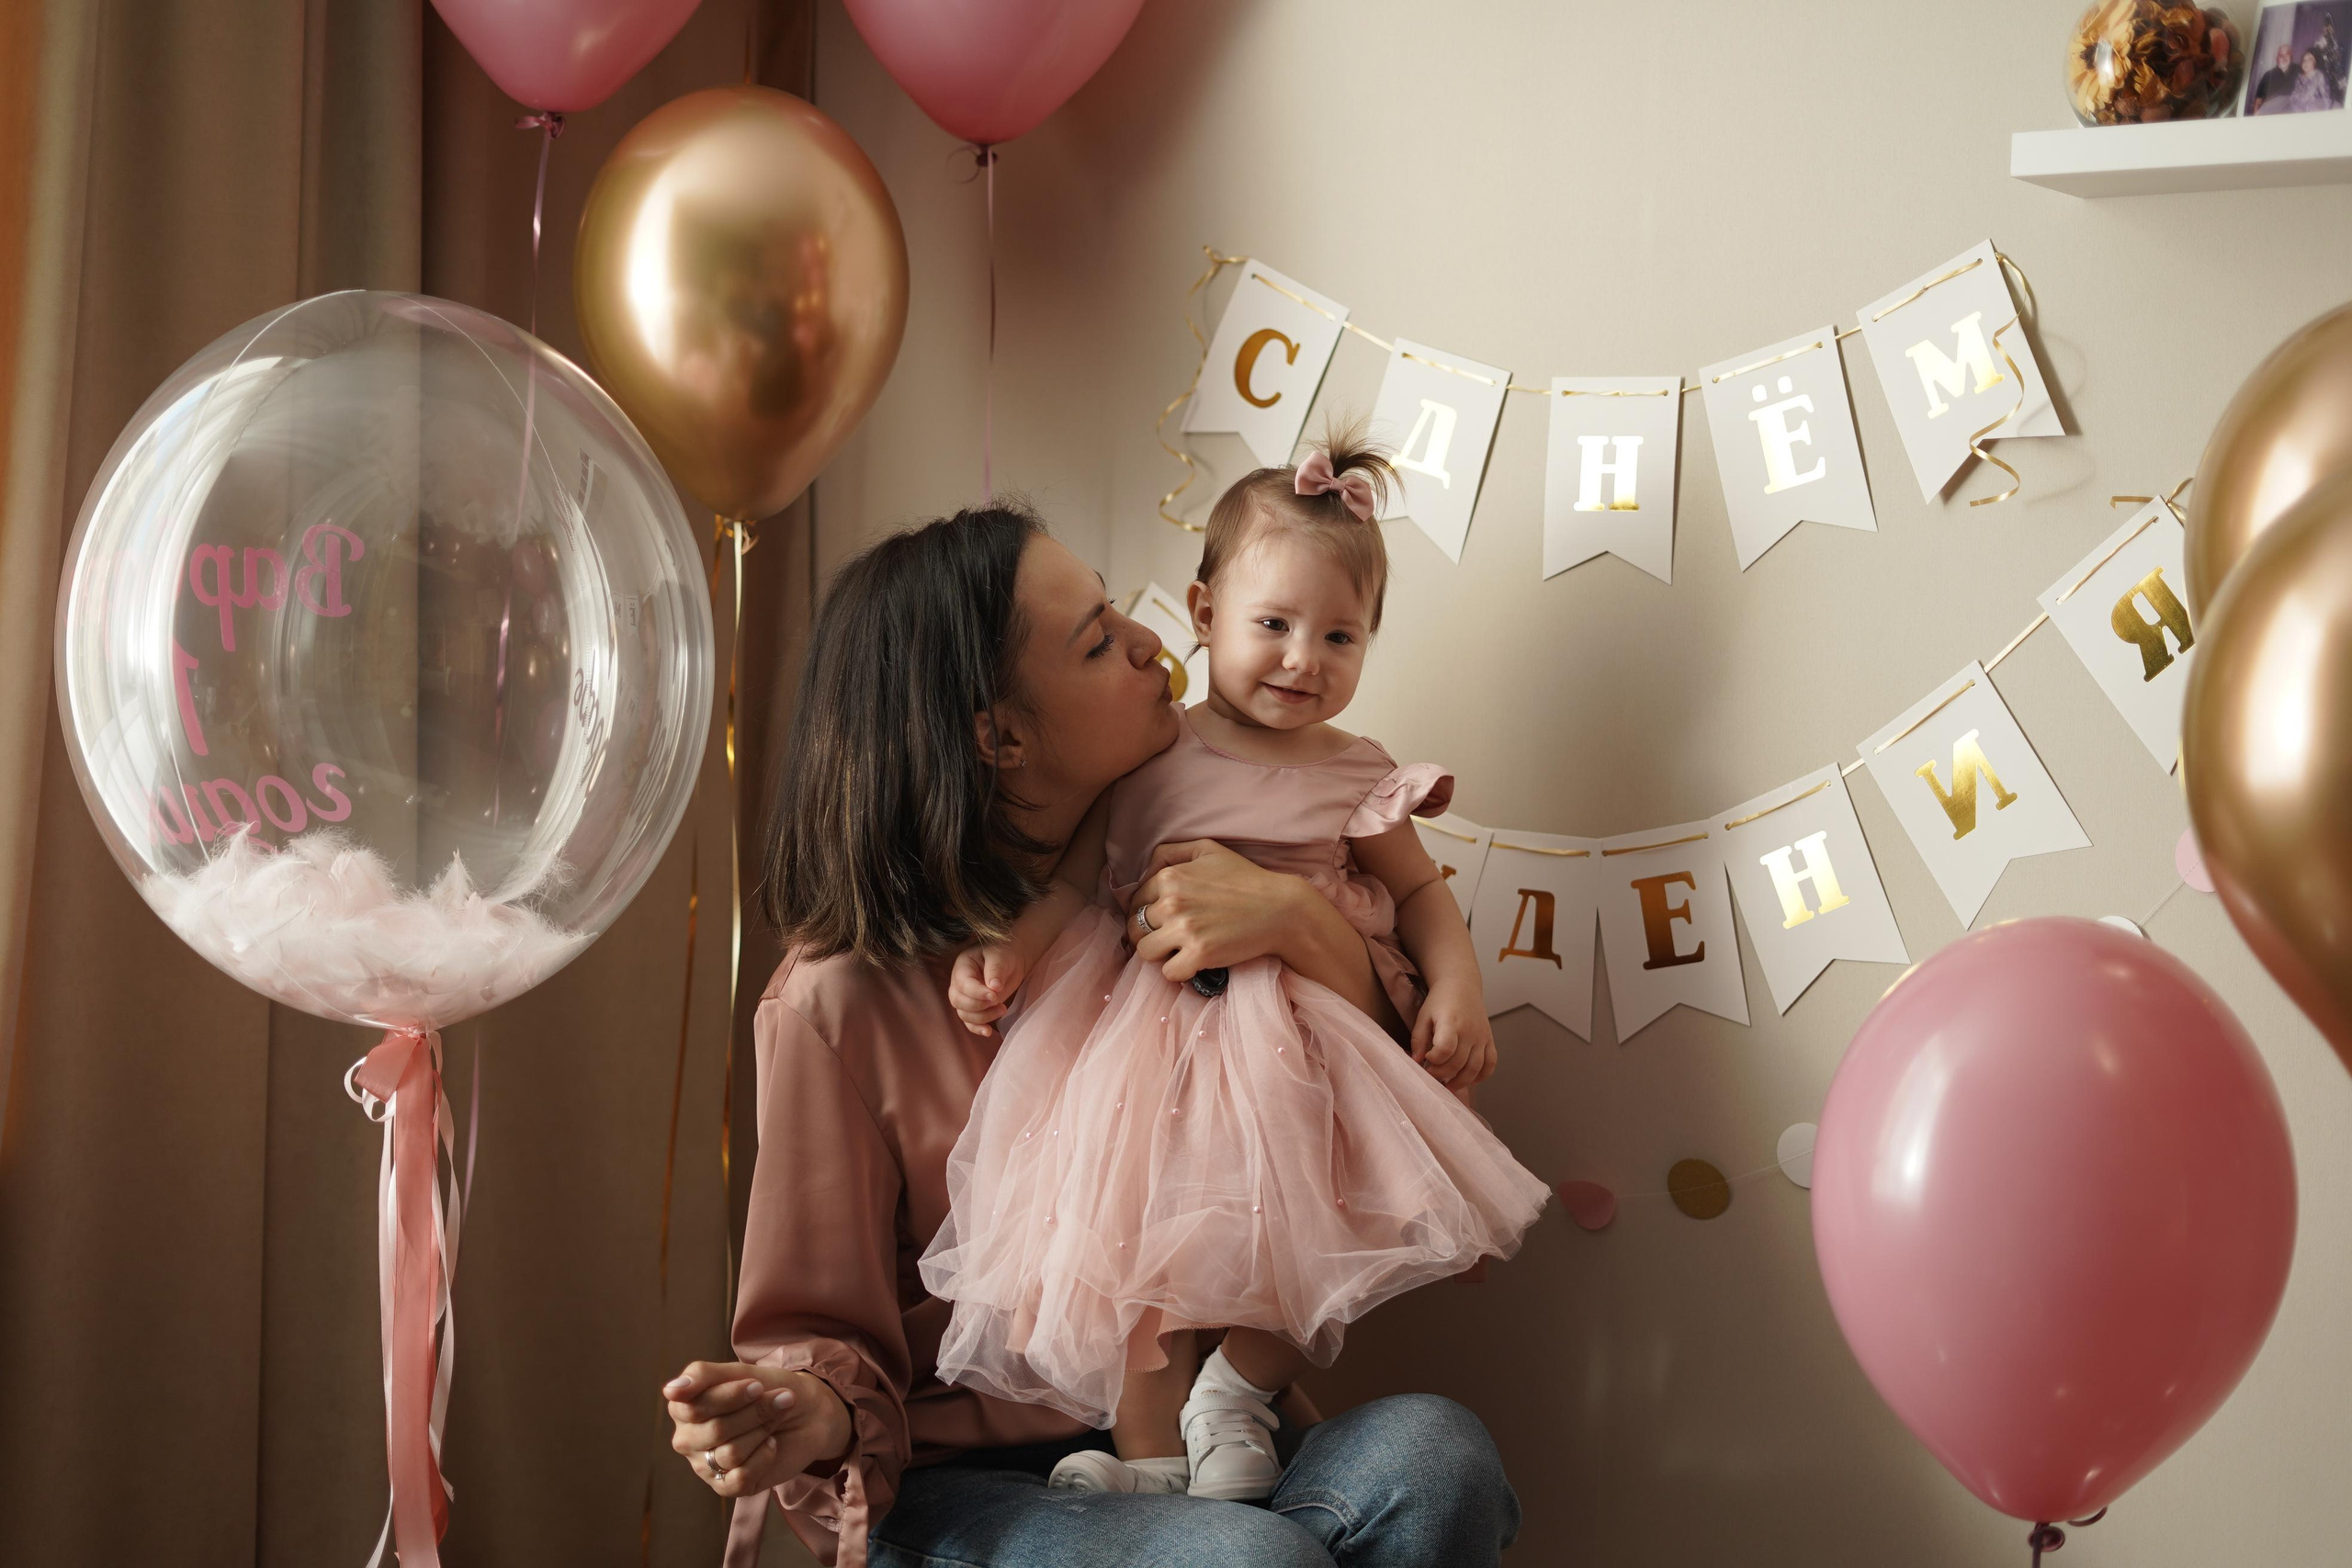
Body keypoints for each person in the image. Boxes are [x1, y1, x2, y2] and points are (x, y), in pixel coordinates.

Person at [661, 504, 1523, 1568]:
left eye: (1118, 606)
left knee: (1439, 1455)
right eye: (1097, 636)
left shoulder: (1203, 865)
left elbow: (1399, 1110)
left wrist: (1301, 924)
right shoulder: (837, 1002)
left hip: (1211, 1439)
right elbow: (820, 1333)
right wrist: (804, 1410)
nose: (1153, 639)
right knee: (1244, 1562)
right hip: (973, 1487)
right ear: (1000, 733)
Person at [920, 430, 1548, 1504]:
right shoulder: (1154, 755)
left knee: (1321, 1233)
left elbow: (1420, 894)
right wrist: (1009, 952)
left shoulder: (1358, 772)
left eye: (1339, 635)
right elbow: (1076, 885)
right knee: (1127, 1255)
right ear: (1205, 616)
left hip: (1302, 1053)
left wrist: (1458, 986)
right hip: (1144, 1052)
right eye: (1274, 625)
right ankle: (1150, 1463)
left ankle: (1240, 1391)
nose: (1305, 659)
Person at [2291, 44, 2339, 111]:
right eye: (2304, 60)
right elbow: (2294, 97)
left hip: (2315, 110)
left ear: (2316, 62)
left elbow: (2326, 98)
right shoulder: (2299, 78)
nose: (2306, 62)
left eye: (2310, 59)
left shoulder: (2319, 76)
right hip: (2300, 110)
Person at [2252, 41, 2296, 112]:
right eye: (2281, 55)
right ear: (2277, 58)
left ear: (2291, 55)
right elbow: (2258, 102)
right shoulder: (2268, 76)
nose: (2284, 57)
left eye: (2287, 54)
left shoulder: (2299, 70)